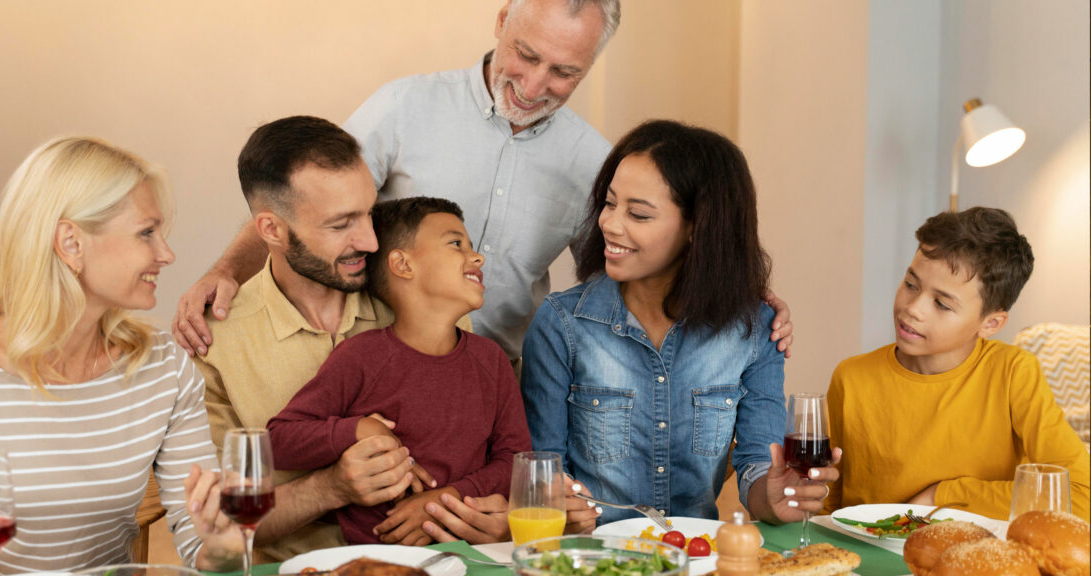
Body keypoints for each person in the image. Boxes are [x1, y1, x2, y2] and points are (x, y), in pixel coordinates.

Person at [170, 0, 795, 365]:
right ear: (501, 20)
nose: (532, 84)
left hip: (502, 375)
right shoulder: (404, 106)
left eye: (564, 72)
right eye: (526, 54)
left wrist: (745, 291)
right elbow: (308, 202)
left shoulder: (595, 162)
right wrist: (226, 270)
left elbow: (634, 264)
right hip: (373, 357)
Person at [0, 137, 243, 574]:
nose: (166, 254)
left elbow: (206, 551)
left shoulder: (164, 370)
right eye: (146, 233)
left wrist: (225, 543)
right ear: (70, 242)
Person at [522, 120, 838, 526]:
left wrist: (777, 497)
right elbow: (542, 472)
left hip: (698, 557)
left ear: (697, 228)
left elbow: (759, 465)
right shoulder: (562, 325)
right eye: (609, 203)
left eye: (638, 213)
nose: (610, 224)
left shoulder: (756, 329)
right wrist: (559, 506)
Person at [266, 197, 533, 546]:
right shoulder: (361, 358)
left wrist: (445, 499)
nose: (477, 257)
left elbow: (515, 459)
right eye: (456, 244)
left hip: (473, 558)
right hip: (374, 563)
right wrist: (359, 429)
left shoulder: (492, 361)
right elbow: (277, 440)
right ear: (403, 264)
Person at [825, 207, 1090, 521]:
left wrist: (944, 495)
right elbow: (827, 507)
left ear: (990, 324)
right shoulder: (851, 377)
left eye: (941, 303)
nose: (913, 308)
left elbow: (1080, 495)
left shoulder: (1013, 373)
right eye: (911, 284)